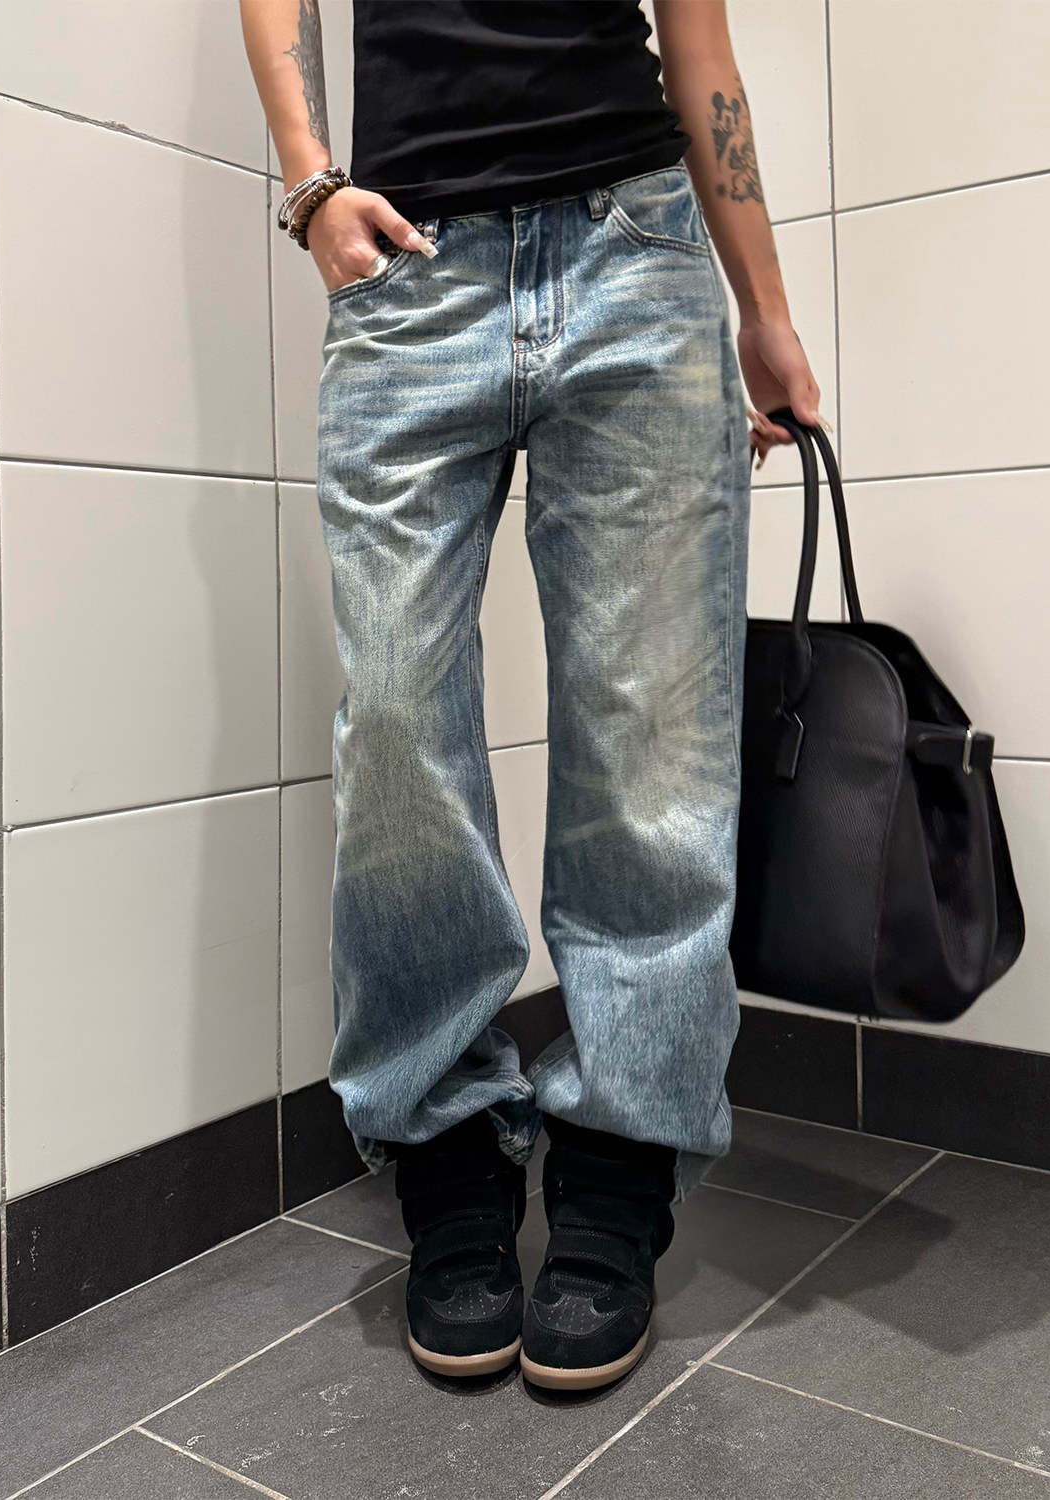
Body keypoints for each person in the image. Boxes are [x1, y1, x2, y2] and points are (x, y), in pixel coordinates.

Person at [239, 0, 824, 1391]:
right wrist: (311, 184)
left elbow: (699, 48)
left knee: (652, 740)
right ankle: (446, 1148)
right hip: (411, 267)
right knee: (396, 726)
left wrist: (764, 313)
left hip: (637, 255)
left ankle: (621, 1161)